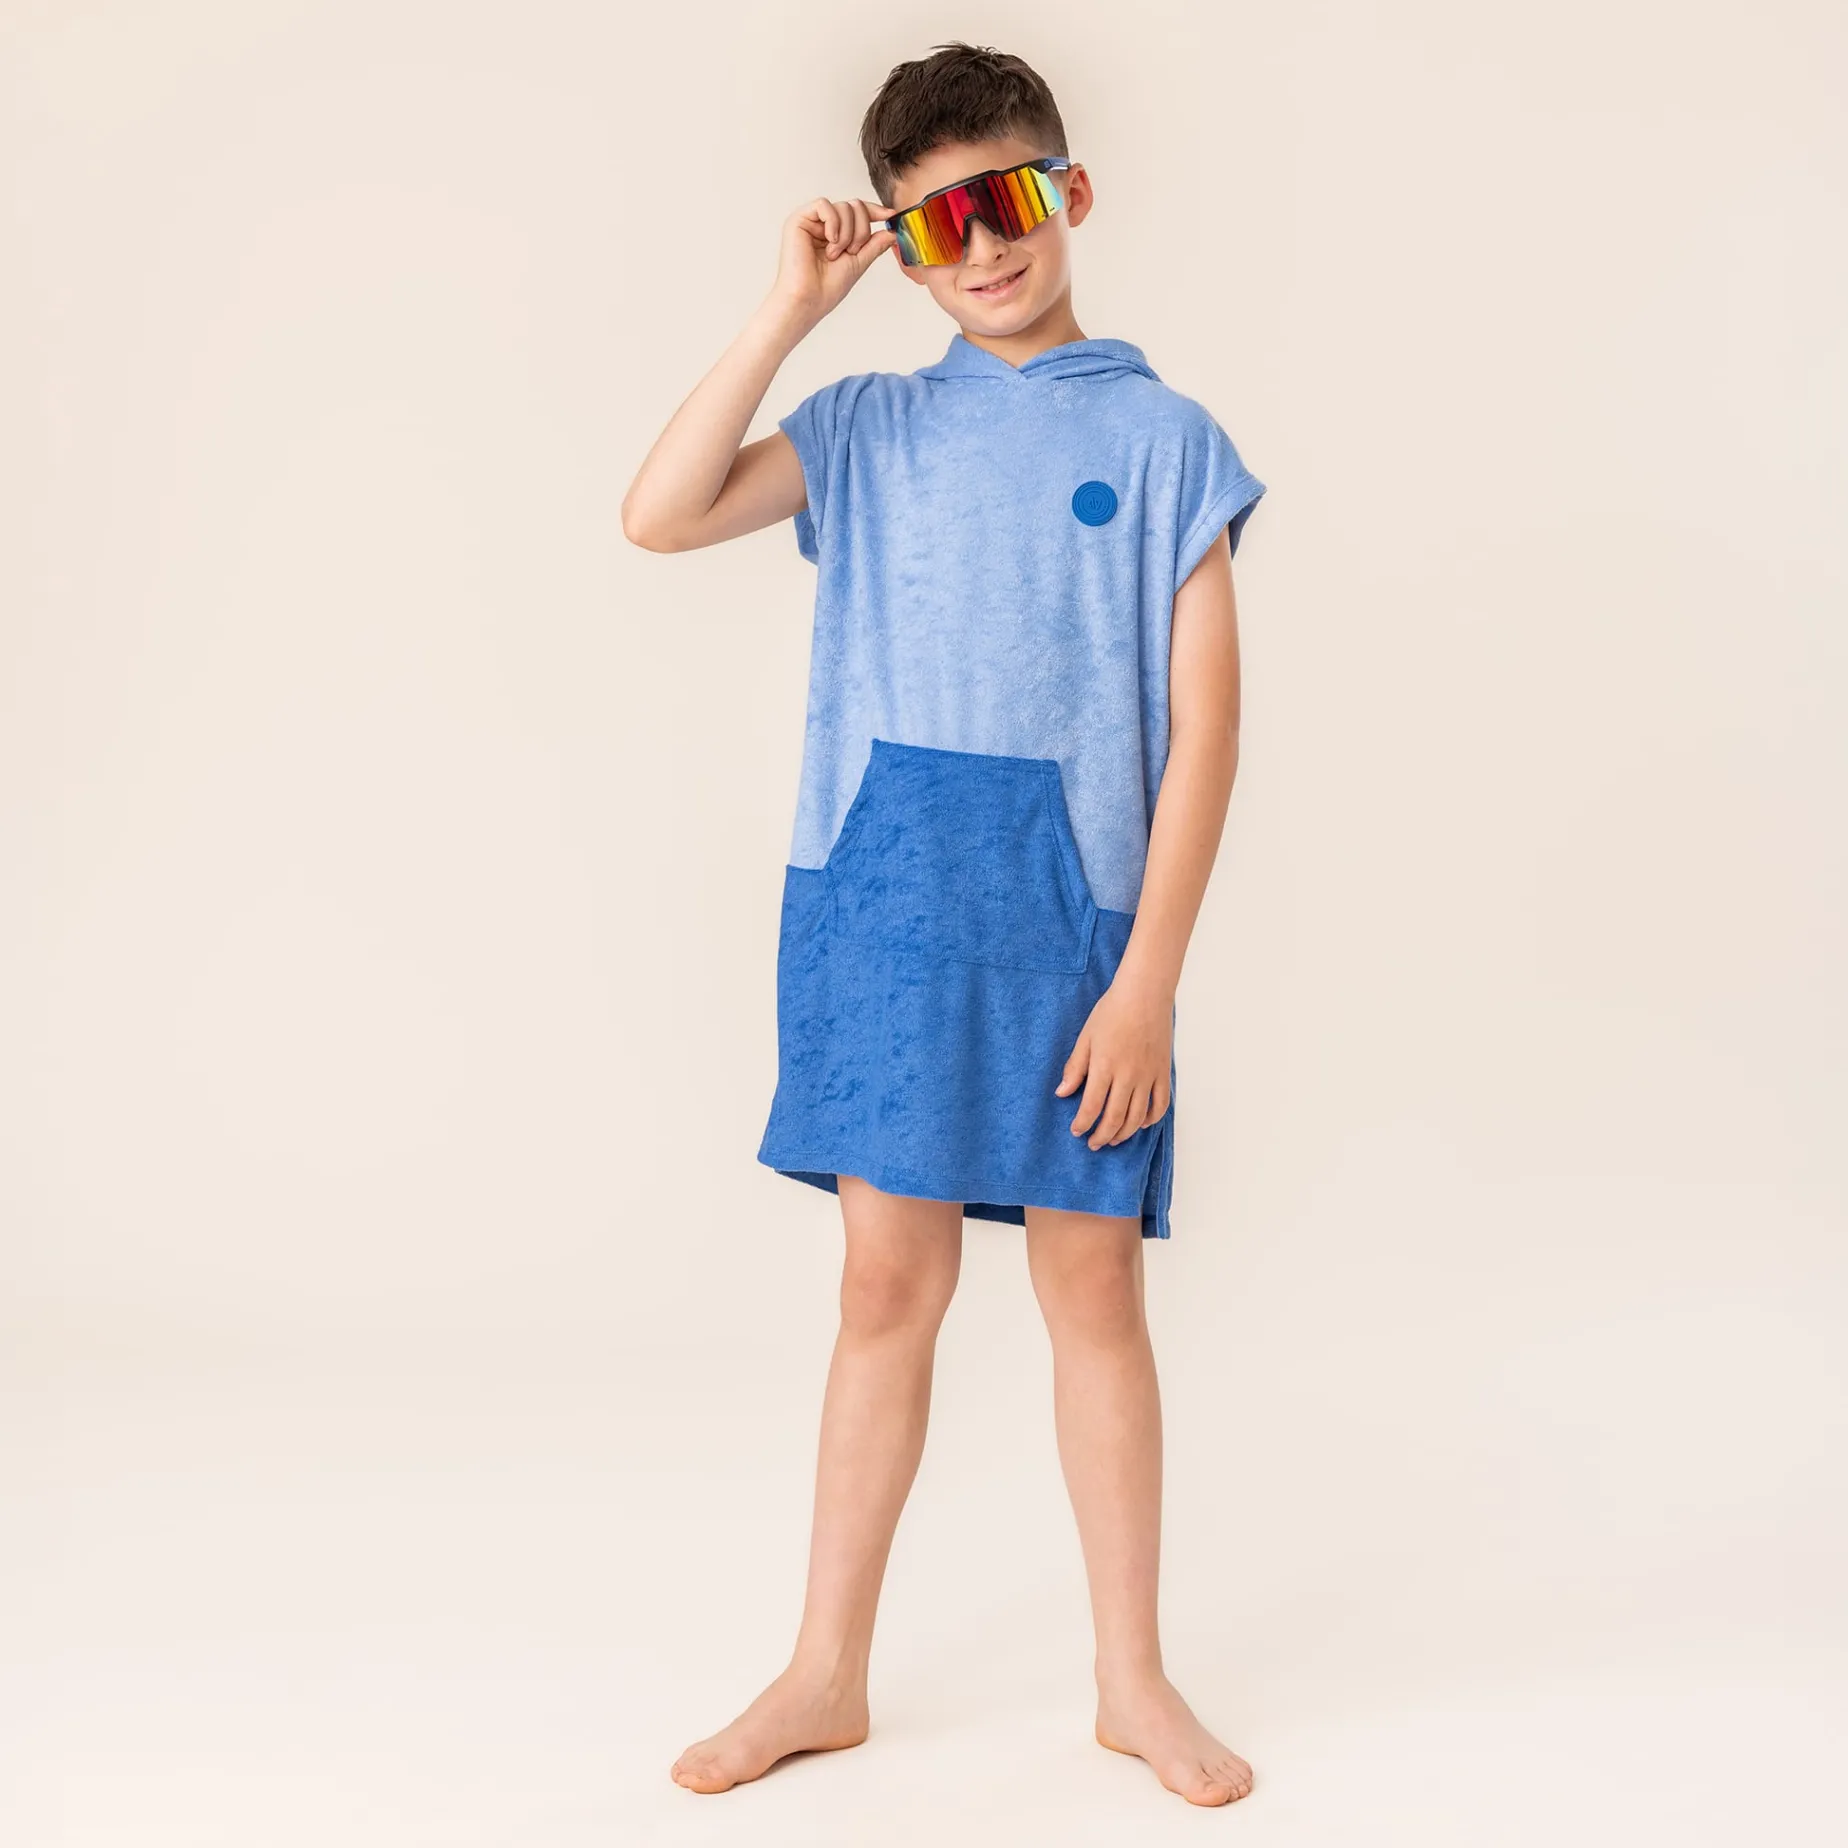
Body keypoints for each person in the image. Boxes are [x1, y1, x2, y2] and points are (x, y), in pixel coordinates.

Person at [622, 40, 1266, 1808]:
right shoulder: (865, 428)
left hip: (1074, 929)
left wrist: (1147, 985)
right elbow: (659, 516)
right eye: (936, 224)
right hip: (884, 912)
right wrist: (791, 311)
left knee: (1089, 1290)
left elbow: (1207, 730)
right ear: (901, 248)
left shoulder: (1166, 444)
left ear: (1071, 193)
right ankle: (825, 1671)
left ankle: (1131, 1679)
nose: (982, 246)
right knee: (884, 1284)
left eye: (1009, 200)